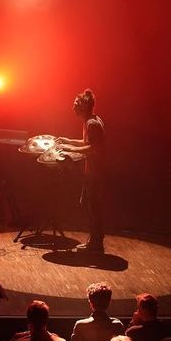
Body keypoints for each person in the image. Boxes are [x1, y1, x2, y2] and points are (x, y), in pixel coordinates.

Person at [55, 88, 106, 252]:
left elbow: (92, 149)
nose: (73, 107)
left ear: (83, 107)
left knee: (94, 209)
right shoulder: (90, 121)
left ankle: (96, 244)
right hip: (93, 172)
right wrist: (67, 141)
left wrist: (69, 150)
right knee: (92, 208)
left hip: (96, 174)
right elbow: (86, 143)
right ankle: (94, 242)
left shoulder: (92, 123)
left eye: (76, 104)